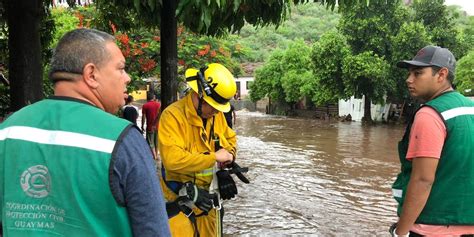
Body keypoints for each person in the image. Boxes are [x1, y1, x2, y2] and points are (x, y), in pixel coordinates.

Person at [0, 28, 170, 236]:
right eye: (121, 68)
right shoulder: (122, 139)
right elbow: (154, 231)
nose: (127, 78)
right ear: (91, 75)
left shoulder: (8, 130)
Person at [391, 45, 474, 237]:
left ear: (441, 74)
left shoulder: (430, 115)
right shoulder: (470, 109)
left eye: (418, 73)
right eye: (409, 73)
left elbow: (422, 180)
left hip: (432, 226)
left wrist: (400, 232)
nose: (408, 80)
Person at [159, 63, 248, 236]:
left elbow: (229, 139)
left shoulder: (216, 116)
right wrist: (214, 157)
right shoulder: (172, 117)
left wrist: (227, 161)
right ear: (199, 94)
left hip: (209, 205)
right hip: (180, 204)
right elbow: (172, 160)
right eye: (213, 106)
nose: (216, 112)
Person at [141, 92, 161, 157]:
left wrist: (142, 125)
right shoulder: (158, 105)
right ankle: (157, 155)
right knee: (156, 142)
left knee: (150, 142)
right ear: (154, 97)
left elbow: (143, 117)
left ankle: (154, 156)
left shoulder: (145, 105)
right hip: (158, 126)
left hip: (150, 126)